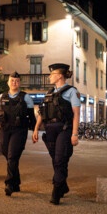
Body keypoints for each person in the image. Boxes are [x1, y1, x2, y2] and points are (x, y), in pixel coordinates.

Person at [0, 71, 40, 196]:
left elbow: (32, 116)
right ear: (8, 82)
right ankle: (16, 181)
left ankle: (9, 184)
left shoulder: (26, 97)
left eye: (17, 81)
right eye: (12, 80)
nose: (14, 83)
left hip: (19, 130)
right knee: (5, 152)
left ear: (20, 83)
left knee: (12, 156)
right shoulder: (2, 97)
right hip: (4, 129)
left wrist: (35, 131)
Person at [33, 63, 80, 205]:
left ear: (59, 76)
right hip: (50, 129)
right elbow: (42, 112)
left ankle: (56, 192)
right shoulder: (49, 93)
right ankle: (63, 186)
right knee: (56, 159)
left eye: (52, 74)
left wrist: (75, 134)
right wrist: (36, 128)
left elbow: (76, 114)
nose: (49, 77)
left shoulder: (72, 91)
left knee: (60, 159)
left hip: (64, 129)